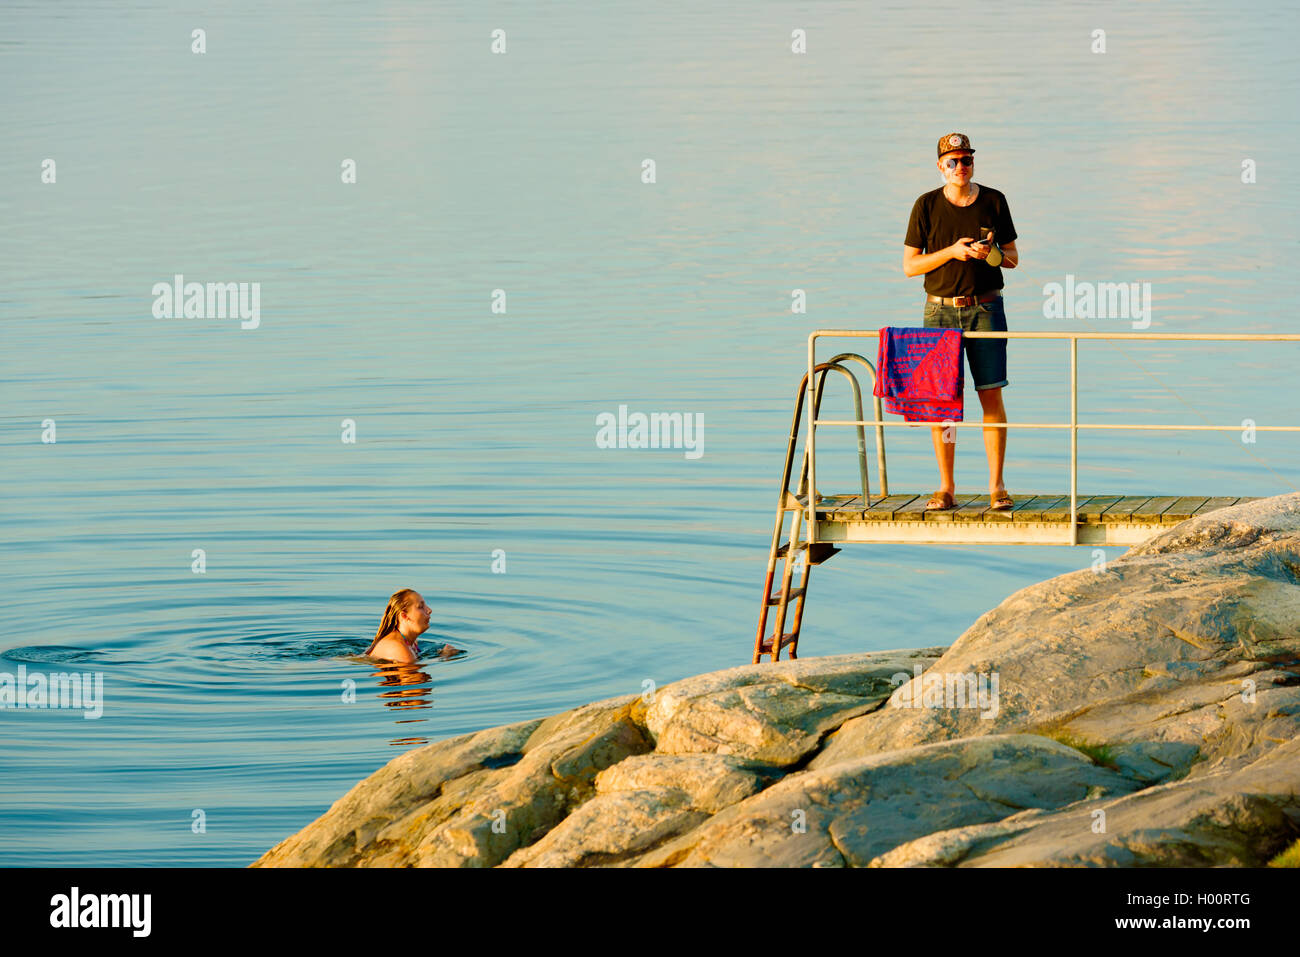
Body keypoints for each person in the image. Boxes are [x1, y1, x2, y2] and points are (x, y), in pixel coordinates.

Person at [902, 132, 1020, 512]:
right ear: (940, 166)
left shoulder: (994, 200)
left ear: (973, 163)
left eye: (965, 160)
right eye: (952, 161)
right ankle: (946, 488)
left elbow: (1014, 259)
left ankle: (997, 487)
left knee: (991, 395)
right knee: (943, 403)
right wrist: (952, 251)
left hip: (985, 310)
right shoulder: (926, 205)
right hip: (939, 311)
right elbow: (910, 266)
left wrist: (990, 254)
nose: (960, 167)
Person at [364, 588, 461, 663]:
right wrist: (444, 656)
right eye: (421, 607)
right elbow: (413, 677)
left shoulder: (412, 643)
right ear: (404, 615)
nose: (429, 610)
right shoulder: (398, 647)